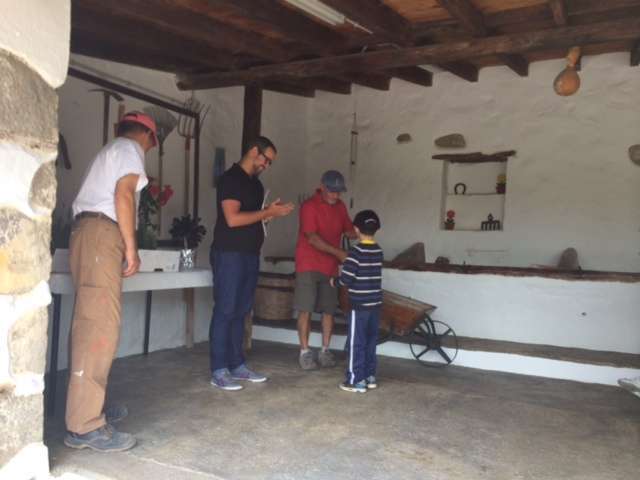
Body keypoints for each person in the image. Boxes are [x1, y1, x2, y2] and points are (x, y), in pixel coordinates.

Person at [64, 111, 158, 452]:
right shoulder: (130, 149)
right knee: (98, 327)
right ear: (148, 136)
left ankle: (90, 407)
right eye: (153, 141)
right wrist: (132, 248)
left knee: (93, 323)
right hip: (102, 234)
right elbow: (124, 196)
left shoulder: (112, 151)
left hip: (92, 234)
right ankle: (84, 425)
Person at [210, 136, 295, 391]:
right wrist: (267, 212)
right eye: (266, 159)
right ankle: (219, 370)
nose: (266, 165)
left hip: (249, 254)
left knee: (242, 311)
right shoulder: (231, 179)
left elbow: (253, 217)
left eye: (270, 163)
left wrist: (268, 214)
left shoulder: (256, 185)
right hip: (229, 254)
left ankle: (237, 365)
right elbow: (232, 219)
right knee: (225, 310)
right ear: (254, 151)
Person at [294, 170, 357, 370]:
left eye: (338, 192)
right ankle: (305, 352)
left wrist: (362, 229)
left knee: (329, 310)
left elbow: (349, 230)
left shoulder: (340, 206)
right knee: (305, 309)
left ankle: (325, 351)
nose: (335, 195)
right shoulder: (309, 206)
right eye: (331, 191)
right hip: (308, 263)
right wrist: (339, 253)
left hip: (330, 266)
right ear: (321, 186)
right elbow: (312, 239)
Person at [336, 210, 383, 393]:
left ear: (356, 229)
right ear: (376, 229)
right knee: (371, 342)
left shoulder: (355, 252)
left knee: (357, 342)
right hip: (375, 305)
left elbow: (346, 279)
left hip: (360, 306)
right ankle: (370, 377)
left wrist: (334, 281)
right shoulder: (378, 250)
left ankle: (356, 381)